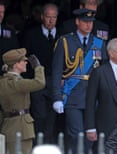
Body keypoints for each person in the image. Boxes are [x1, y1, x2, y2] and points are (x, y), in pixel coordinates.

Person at [52, 8, 108, 154]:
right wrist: (57, 97)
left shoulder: (99, 43)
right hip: (72, 96)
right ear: (77, 22)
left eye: (91, 22)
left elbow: (104, 71)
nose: (88, 25)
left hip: (93, 96)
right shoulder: (65, 41)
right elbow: (57, 71)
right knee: (76, 134)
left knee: (91, 135)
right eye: (85, 21)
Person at [22, 3, 63, 145]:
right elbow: (25, 61)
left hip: (57, 83)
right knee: (40, 117)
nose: (51, 21)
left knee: (53, 117)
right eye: (48, 17)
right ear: (41, 17)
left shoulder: (63, 35)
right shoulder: (31, 35)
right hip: (37, 83)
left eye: (54, 17)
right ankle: (39, 147)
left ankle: (50, 147)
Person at [0, 48, 45, 154]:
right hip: (21, 128)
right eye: (22, 61)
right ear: (16, 65)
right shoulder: (17, 83)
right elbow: (40, 83)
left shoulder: (3, 82)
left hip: (7, 126)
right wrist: (38, 67)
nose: (26, 62)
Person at [0, 0, 19, 76]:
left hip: (6, 77)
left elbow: (16, 53)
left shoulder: (10, 32)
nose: (0, 15)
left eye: (2, 12)